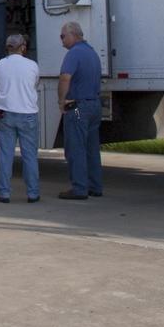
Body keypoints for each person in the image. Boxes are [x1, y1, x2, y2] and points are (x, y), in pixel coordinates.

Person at [0, 33, 41, 203]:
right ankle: (33, 193)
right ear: (23, 47)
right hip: (27, 114)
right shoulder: (32, 65)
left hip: (4, 114)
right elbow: (34, 84)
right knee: (30, 156)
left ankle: (4, 193)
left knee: (5, 155)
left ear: (7, 47)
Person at [56, 21, 102, 200]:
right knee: (91, 147)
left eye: (63, 36)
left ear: (73, 34)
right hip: (94, 106)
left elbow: (65, 78)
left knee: (75, 147)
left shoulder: (73, 54)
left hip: (77, 108)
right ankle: (95, 186)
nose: (61, 41)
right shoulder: (92, 53)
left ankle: (79, 188)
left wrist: (61, 101)